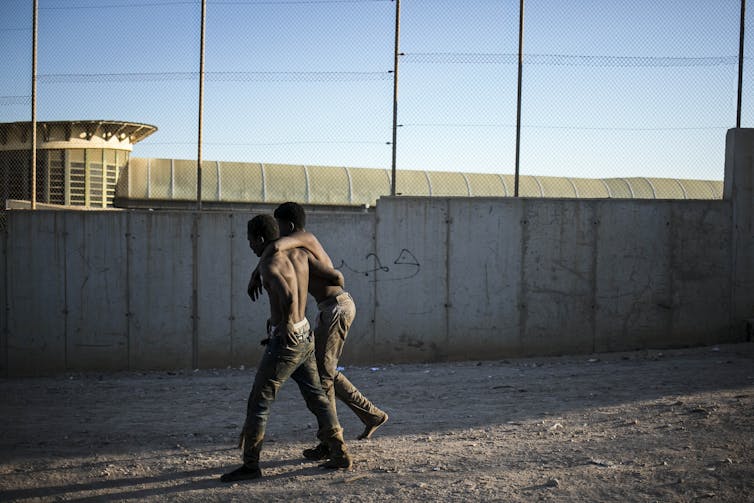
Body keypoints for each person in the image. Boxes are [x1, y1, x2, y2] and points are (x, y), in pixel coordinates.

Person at [248, 202, 388, 461]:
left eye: (279, 226)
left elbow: (276, 247)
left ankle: (331, 443)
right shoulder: (298, 249)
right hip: (330, 307)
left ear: (288, 225)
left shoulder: (302, 238)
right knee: (325, 373)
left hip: (336, 307)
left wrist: (256, 272)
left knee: (322, 378)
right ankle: (370, 415)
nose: (277, 233)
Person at [221, 214, 351, 483]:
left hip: (288, 340)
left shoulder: (269, 265)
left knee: (259, 402)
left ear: (259, 239)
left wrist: (285, 325)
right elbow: (333, 275)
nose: (250, 247)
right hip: (306, 334)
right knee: (317, 396)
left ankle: (251, 465)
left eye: (250, 242)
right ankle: (339, 452)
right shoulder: (300, 255)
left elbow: (288, 295)